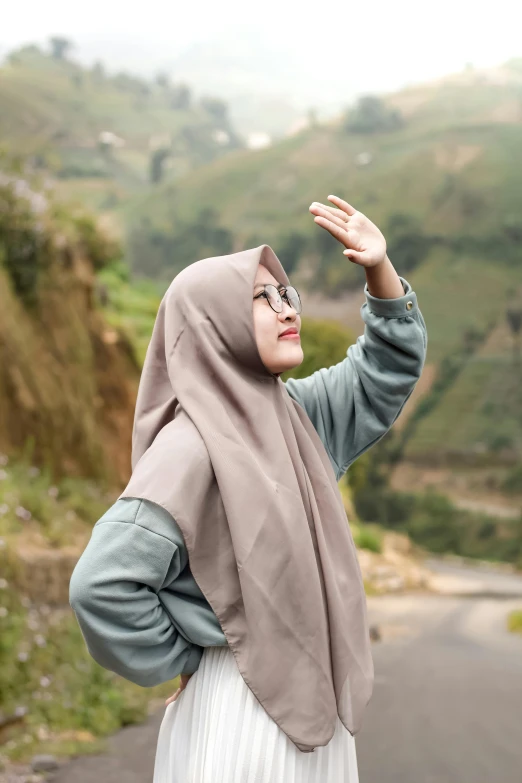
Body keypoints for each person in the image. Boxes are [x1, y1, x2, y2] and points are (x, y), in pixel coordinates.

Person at [69, 195, 427, 782]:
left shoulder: (295, 418)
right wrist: (196, 653)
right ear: (213, 324)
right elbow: (102, 585)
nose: (285, 308)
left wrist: (379, 271)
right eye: (260, 298)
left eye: (286, 293)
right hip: (242, 712)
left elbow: (384, 373)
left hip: (313, 708)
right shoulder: (190, 448)